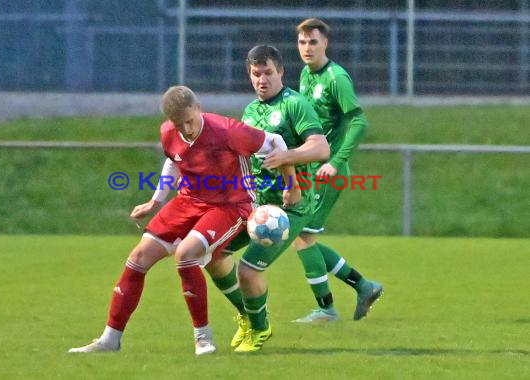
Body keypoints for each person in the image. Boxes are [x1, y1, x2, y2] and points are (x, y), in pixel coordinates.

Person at [68, 85, 292, 355]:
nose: (186, 129)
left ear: (199, 108)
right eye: (179, 124)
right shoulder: (168, 133)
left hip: (230, 206)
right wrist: (155, 201)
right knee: (138, 258)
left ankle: (203, 338)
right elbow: (174, 161)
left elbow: (276, 142)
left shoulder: (228, 130)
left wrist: (290, 183)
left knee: (186, 255)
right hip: (188, 201)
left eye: (190, 120)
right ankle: (110, 339)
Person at [227, 45, 332, 353]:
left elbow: (321, 148)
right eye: (256, 74)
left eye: (268, 73)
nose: (262, 80)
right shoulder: (249, 111)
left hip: (291, 206)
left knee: (248, 271)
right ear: (249, 75)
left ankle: (259, 330)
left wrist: (288, 156)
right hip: (256, 205)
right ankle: (248, 315)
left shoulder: (294, 105)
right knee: (214, 253)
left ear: (281, 72)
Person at [293, 18, 383, 323]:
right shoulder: (306, 74)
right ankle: (364, 286)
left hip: (328, 174)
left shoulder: (336, 78)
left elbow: (359, 122)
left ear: (325, 44)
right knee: (303, 237)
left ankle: (327, 309)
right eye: (303, 42)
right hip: (311, 170)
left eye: (313, 42)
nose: (307, 48)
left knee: (302, 237)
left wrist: (335, 161)